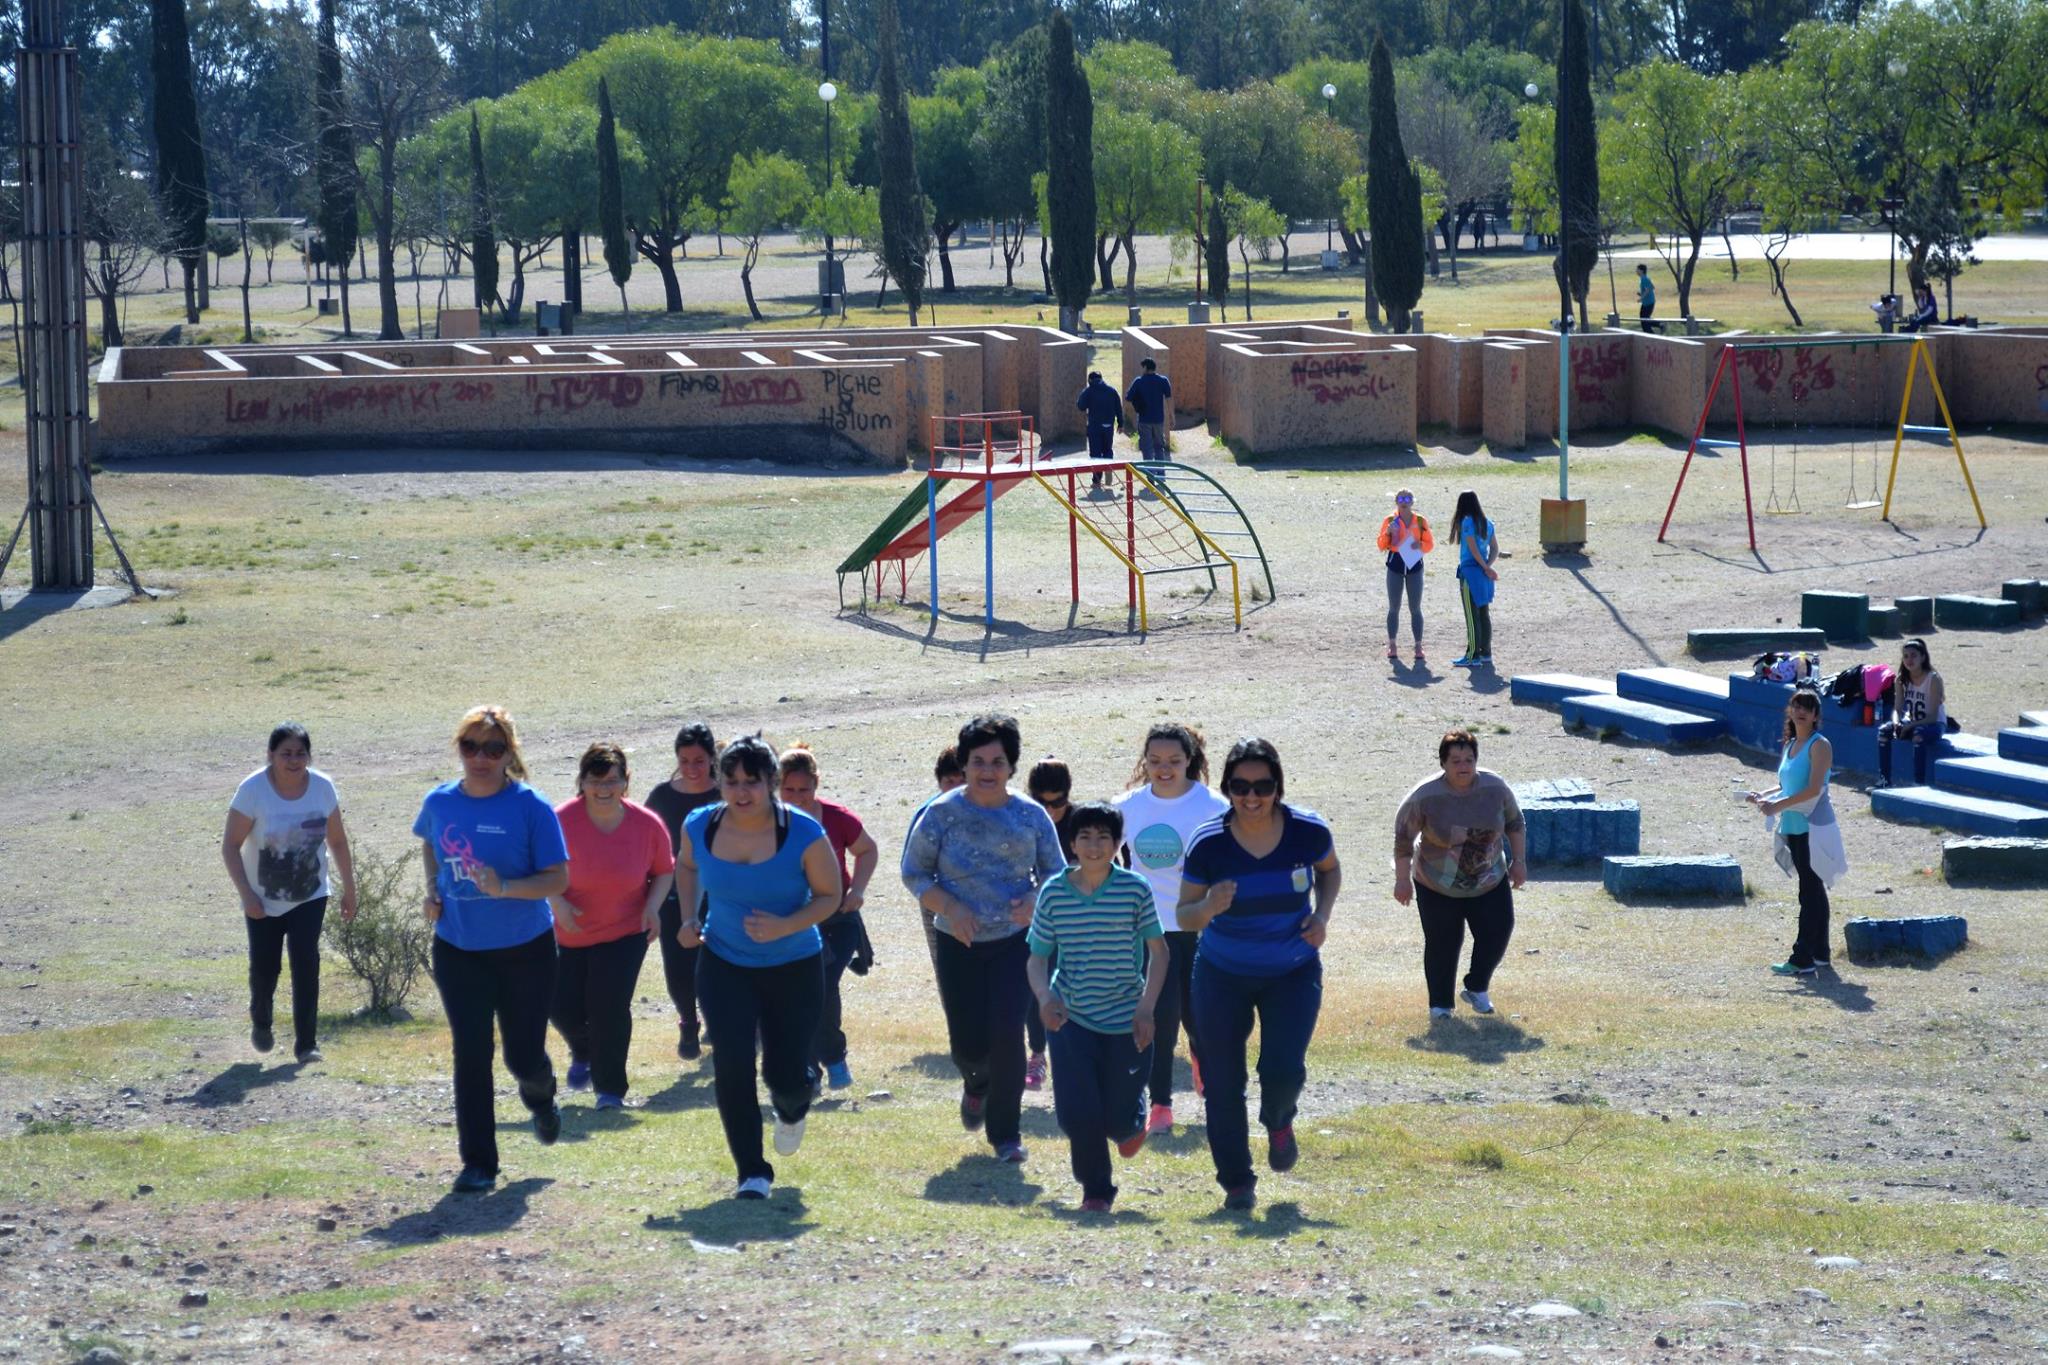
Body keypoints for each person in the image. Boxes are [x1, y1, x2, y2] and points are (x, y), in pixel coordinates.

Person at [1177, 738, 1341, 1212]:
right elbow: (1185, 914)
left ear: (1278, 786)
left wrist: (1322, 916)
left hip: (1292, 971)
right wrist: (1208, 906)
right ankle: (1236, 1183)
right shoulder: (1209, 842)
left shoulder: (1307, 832)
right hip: (1221, 974)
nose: (1252, 797)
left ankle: (1278, 1120)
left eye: (1263, 786)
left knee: (1283, 1070)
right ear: (1226, 787)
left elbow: (1330, 871)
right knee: (1223, 1082)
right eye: (1240, 786)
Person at [675, 735, 843, 1200]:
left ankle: (793, 1106)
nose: (741, 792)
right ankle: (752, 1172)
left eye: (752, 781)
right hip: (724, 962)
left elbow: (831, 897)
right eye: (731, 781)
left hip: (795, 966)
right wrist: (690, 916)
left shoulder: (803, 832)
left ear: (771, 782)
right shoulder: (700, 826)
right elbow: (686, 868)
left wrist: (787, 924)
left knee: (785, 1077)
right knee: (731, 1063)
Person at [414, 706, 570, 1195]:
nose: (480, 758)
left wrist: (504, 886)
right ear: (458, 749)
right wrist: (432, 890)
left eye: (493, 748)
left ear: (509, 754)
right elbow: (430, 846)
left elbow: (557, 879)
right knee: (471, 1053)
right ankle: (478, 1163)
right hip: (459, 948)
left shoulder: (531, 807)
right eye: (470, 747)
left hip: (525, 949)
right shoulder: (439, 801)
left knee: (523, 1057)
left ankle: (541, 1094)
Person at [901, 713, 1066, 1164]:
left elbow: (1057, 873)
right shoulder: (942, 813)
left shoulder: (1030, 815)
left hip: (1016, 942)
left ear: (1012, 766)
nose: (987, 771)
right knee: (968, 1044)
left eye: (997, 761)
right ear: (965, 763)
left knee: (1008, 1032)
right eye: (978, 761)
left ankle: (1006, 1135)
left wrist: (1036, 899)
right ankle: (975, 1083)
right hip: (958, 942)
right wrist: (951, 908)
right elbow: (913, 872)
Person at [1027, 801, 1169, 1212]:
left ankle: (1131, 1120)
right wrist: (1045, 998)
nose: (1093, 846)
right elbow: (1036, 959)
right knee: (1076, 1114)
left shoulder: (1134, 890)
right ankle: (1096, 1191)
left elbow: (1159, 954)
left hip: (1126, 1020)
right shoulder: (1053, 893)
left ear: (1117, 843)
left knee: (1115, 1118)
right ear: (1071, 843)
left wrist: (1146, 1009)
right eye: (1084, 837)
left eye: (1103, 837)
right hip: (1073, 1018)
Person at [1114, 723, 1229, 1140]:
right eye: (1156, 761)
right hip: (1149, 929)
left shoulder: (1212, 806)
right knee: (1158, 1017)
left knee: (1198, 1016)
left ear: (1190, 762)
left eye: (1174, 762)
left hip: (1200, 926)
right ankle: (1160, 1103)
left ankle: (1203, 1062)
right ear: (1144, 761)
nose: (1164, 769)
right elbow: (1102, 858)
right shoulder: (1127, 806)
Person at [222, 723, 356, 1064]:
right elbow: (230, 847)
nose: (294, 760)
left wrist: (349, 889)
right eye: (286, 754)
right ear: (271, 756)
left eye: (301, 753)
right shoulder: (252, 791)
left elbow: (337, 841)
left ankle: (306, 1044)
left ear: (309, 757)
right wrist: (247, 896)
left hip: (310, 894)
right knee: (265, 969)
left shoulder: (323, 788)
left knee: (306, 963)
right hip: (262, 899)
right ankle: (261, 1019)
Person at [551, 742, 674, 1110]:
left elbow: (664, 871)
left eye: (612, 780)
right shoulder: (560, 821)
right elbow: (537, 870)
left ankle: (610, 1091)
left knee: (608, 1005)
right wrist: (557, 902)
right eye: (595, 780)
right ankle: (586, 1049)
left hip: (625, 930)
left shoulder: (646, 824)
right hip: (568, 932)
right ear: (582, 781)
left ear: (626, 782)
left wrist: (653, 908)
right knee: (559, 1006)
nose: (603, 789)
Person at [1393, 729, 1528, 1020]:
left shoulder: (1495, 788)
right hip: (1437, 883)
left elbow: (1515, 824)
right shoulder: (1426, 796)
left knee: (1498, 931)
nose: (1463, 766)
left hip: (1488, 878)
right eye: (1455, 760)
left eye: (1469, 759)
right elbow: (1403, 839)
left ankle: (1477, 987)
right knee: (1444, 943)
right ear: (1443, 764)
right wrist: (1402, 880)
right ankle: (1440, 1005)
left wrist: (1519, 861)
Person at [777, 743, 879, 1093]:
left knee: (819, 983)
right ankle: (811, 1071)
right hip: (793, 923)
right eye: (788, 789)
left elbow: (867, 849)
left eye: (803, 789)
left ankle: (832, 1057)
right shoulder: (765, 823)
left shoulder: (836, 817)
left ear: (816, 784)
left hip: (838, 919)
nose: (796, 797)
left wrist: (858, 890)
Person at [1747, 691, 1841, 978]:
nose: (1801, 711)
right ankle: (1820, 953)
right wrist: (1763, 795)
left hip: (1813, 825)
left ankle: (1802, 958)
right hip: (1794, 825)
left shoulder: (1819, 745)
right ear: (1790, 711)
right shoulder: (1790, 745)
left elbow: (1814, 789)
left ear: (1816, 716)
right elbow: (1786, 783)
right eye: (1797, 706)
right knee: (1813, 889)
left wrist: (1776, 806)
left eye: (1808, 708)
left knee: (1809, 892)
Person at [645, 723, 720, 1060]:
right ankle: (688, 1020)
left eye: (699, 760)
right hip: (672, 890)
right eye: (685, 760)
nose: (692, 768)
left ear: (712, 759)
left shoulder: (726, 794)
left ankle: (720, 1022)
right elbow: (644, 840)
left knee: (716, 961)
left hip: (720, 892)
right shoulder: (662, 796)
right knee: (677, 963)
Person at [1024, 757, 1081, 1090]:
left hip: (1078, 925)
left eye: (1058, 802)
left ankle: (1072, 1058)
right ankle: (1037, 1054)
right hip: (1036, 923)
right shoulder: (1022, 822)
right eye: (1042, 803)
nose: (1050, 810)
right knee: (1038, 989)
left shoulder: (1081, 823)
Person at [911, 745, 969, 976]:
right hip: (938, 903)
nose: (955, 788)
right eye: (949, 781)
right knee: (948, 975)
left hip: (985, 903)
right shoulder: (927, 815)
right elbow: (914, 871)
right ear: (939, 782)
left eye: (961, 780)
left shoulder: (990, 810)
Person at [1876, 638, 1946, 789]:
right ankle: (1884, 781)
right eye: (1906, 656)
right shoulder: (1901, 680)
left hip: (1933, 725)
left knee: (1918, 735)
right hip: (1911, 722)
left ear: (1923, 657)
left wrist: (1909, 726)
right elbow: (1897, 709)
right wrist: (1896, 723)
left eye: (1914, 655)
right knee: (1883, 732)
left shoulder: (1933, 679)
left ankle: (1918, 784)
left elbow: (1933, 717)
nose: (1909, 660)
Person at [1376, 489, 1435, 663]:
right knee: (1394, 607)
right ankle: (1392, 645)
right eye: (1400, 498)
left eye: (1407, 498)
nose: (1404, 501)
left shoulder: (1420, 520)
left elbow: (1430, 544)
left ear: (1412, 502)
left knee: (1415, 608)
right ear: (1396, 501)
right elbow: (1381, 545)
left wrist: (1420, 545)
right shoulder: (1389, 520)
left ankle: (1418, 646)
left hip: (1415, 565)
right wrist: (1388, 533)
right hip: (1395, 565)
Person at [1451, 489, 1499, 670]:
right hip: (1483, 574)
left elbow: (1471, 548)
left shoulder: (1467, 522)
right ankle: (1486, 652)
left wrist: (1485, 566)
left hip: (1471, 572)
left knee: (1471, 616)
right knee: (1483, 613)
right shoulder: (1488, 523)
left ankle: (1472, 655)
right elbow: (1495, 548)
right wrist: (1488, 565)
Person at [1076, 371, 1125, 490]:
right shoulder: (1112, 390)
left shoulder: (1089, 391)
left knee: (1096, 453)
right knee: (1107, 449)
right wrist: (1121, 424)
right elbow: (1118, 407)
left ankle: (1096, 481)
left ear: (1090, 380)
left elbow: (1081, 406)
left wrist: (1085, 393)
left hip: (1095, 426)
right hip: (1108, 426)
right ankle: (1108, 472)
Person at [1124, 358, 1173, 462]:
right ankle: (1160, 475)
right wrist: (1171, 415)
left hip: (1144, 419)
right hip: (1158, 419)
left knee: (1146, 447)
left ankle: (1150, 474)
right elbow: (1169, 399)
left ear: (1146, 368)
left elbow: (1128, 398)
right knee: (1159, 446)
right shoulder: (1163, 380)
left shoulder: (1139, 381)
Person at [1636, 264, 1659, 333]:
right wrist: (1641, 294)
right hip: (1647, 302)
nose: (1636, 271)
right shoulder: (1644, 278)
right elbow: (1651, 287)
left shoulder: (1644, 279)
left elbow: (1649, 289)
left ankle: (1659, 325)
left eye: (1637, 269)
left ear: (1641, 271)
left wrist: (1641, 298)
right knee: (1644, 320)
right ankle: (1659, 325)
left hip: (1649, 302)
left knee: (1644, 321)